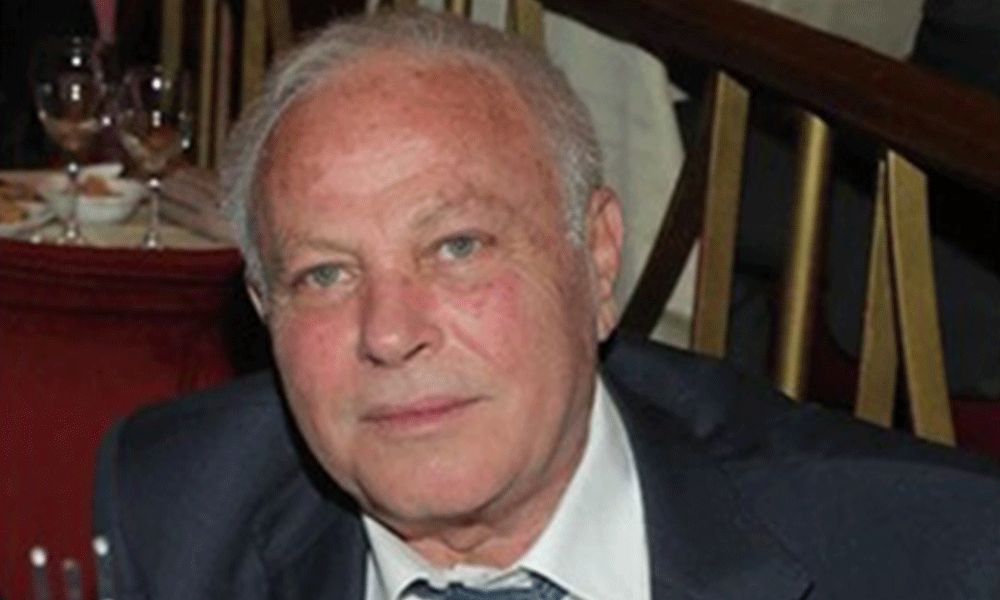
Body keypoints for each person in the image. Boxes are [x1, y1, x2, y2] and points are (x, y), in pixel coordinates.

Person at [93, 9, 1000, 599]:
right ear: (263, 308)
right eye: (325, 275)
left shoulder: (922, 553)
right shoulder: (177, 508)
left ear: (598, 258)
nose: (391, 333)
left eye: (457, 248)